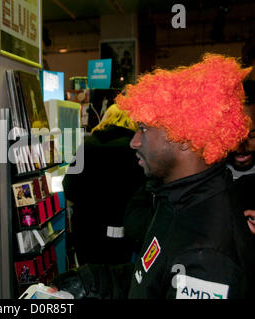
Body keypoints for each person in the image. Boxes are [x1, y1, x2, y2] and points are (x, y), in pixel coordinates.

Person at [52, 54, 255, 299]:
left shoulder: (209, 254)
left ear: (183, 137)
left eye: (144, 129)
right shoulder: (174, 201)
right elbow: (150, 278)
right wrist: (87, 281)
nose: (134, 141)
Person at [62, 104, 145, 266]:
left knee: (89, 279)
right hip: (121, 232)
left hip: (86, 230)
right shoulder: (136, 151)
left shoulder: (88, 145)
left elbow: (69, 188)